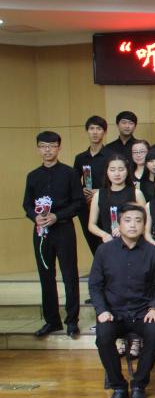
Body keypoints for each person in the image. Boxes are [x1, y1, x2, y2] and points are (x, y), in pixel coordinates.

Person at [89, 204, 155, 398]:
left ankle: (139, 384)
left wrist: (154, 308)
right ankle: (119, 387)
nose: (133, 225)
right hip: (113, 312)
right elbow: (95, 285)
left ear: (144, 225)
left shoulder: (153, 252)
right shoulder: (104, 251)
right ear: (119, 224)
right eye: (128, 220)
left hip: (142, 311)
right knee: (103, 336)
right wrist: (102, 310)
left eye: (138, 221)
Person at [23, 131, 84, 337]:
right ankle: (52, 321)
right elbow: (27, 204)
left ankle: (72, 321)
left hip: (63, 228)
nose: (47, 150)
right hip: (41, 232)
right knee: (46, 275)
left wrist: (57, 216)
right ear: (38, 149)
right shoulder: (33, 176)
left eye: (51, 146)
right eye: (43, 146)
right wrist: (35, 217)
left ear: (59, 147)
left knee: (70, 275)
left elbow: (78, 202)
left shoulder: (70, 173)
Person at [87, 155, 147, 245]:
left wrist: (125, 230)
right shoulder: (99, 195)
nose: (117, 174)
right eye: (112, 170)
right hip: (108, 243)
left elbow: (146, 223)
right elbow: (91, 225)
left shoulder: (136, 194)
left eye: (121, 169)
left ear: (127, 171)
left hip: (134, 243)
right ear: (107, 171)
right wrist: (104, 235)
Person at [74, 116, 110, 255]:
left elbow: (119, 182)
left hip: (106, 203)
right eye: (91, 128)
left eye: (99, 129)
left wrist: (99, 191)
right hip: (87, 206)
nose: (95, 132)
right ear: (87, 131)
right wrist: (82, 191)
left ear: (104, 132)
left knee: (107, 241)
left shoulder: (111, 156)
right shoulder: (80, 158)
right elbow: (74, 183)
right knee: (92, 243)